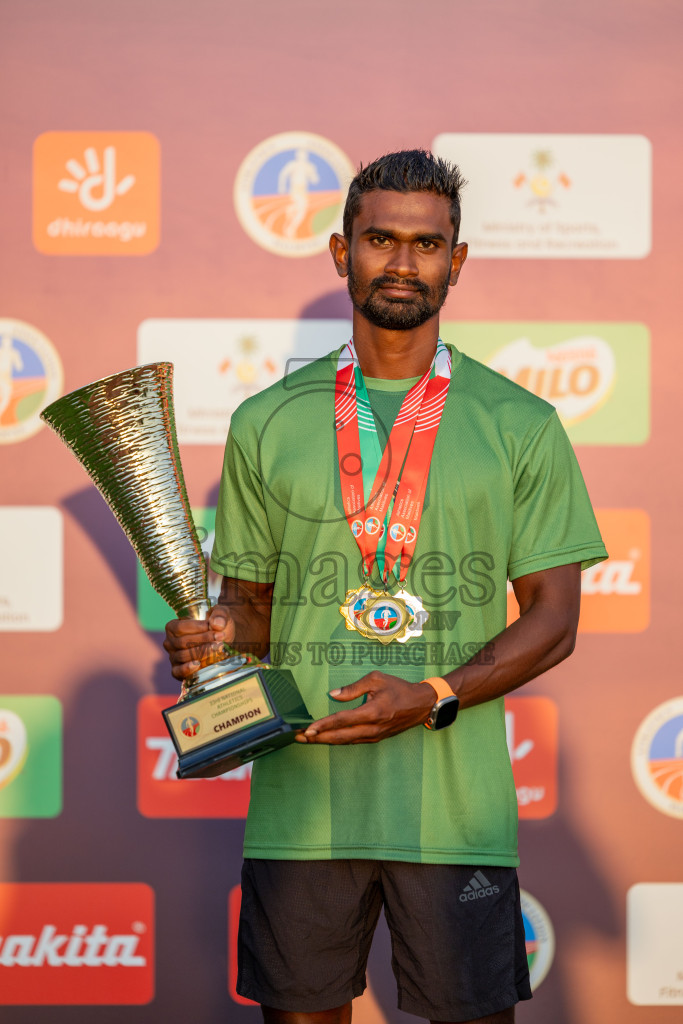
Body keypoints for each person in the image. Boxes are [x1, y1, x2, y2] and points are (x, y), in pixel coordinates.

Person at [164, 150, 607, 1024]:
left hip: (453, 813)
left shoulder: (519, 422)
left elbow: (553, 622)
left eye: (425, 243)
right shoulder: (268, 420)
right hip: (302, 805)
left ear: (457, 260)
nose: (403, 263)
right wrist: (211, 641)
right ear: (341, 252)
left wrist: (432, 695)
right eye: (379, 239)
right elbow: (248, 612)